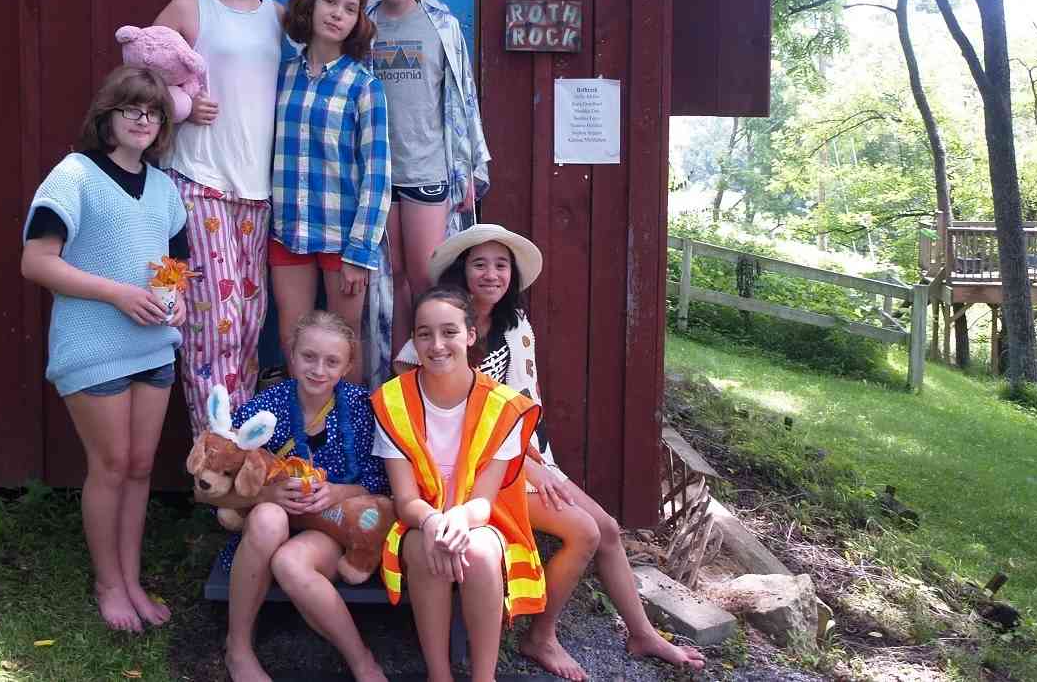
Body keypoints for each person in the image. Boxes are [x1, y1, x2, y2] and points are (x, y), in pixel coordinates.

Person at [395, 224, 706, 678]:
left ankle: (637, 633)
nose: (491, 274)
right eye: (479, 264)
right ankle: (540, 636)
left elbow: (526, 403)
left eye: (502, 265)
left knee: (607, 528)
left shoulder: (516, 325)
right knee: (586, 531)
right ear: (462, 272)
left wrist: (533, 463)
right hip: (473, 470)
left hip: (521, 454)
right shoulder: (441, 326)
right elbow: (411, 394)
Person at [20, 65, 188, 633]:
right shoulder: (74, 176)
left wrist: (177, 300)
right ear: (107, 117)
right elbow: (37, 261)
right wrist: (117, 293)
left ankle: (132, 579)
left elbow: (174, 265)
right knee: (111, 465)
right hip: (93, 346)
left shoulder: (164, 188)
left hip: (154, 347)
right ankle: (107, 583)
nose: (143, 120)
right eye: (131, 109)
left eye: (154, 112)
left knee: (141, 467)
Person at [153, 0, 283, 433]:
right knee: (214, 325)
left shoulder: (278, 15)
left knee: (249, 325)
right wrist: (180, 104)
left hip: (258, 191)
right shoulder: (190, 7)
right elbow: (139, 75)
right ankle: (214, 451)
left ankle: (239, 460)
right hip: (200, 180)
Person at [372, 286, 545, 682]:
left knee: (480, 554)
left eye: (449, 332)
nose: (436, 345)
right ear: (413, 340)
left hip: (482, 520)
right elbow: (405, 499)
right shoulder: (391, 400)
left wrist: (459, 521)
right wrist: (433, 522)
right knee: (425, 544)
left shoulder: (503, 405)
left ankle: (484, 677)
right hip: (420, 518)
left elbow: (484, 501)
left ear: (470, 335)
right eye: (424, 333)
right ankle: (439, 674)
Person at [213, 312, 390, 682]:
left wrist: (337, 491)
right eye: (309, 357)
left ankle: (362, 661)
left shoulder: (361, 406)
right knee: (267, 517)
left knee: (291, 564)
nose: (319, 370)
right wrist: (269, 493)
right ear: (291, 355)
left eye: (332, 361)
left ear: (348, 365)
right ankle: (239, 649)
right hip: (267, 525)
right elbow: (219, 485)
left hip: (331, 527)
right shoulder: (267, 406)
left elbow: (381, 484)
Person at [365, 0, 490, 365]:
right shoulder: (363, 26)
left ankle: (433, 373)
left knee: (424, 279)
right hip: (376, 176)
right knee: (387, 283)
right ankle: (396, 377)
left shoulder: (443, 26)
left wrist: (470, 169)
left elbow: (465, 100)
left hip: (427, 170)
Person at [271, 0, 391, 384]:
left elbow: (377, 176)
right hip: (289, 231)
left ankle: (348, 443)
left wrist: (360, 251)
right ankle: (302, 445)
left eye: (351, 9)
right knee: (293, 339)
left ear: (359, 22)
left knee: (343, 346)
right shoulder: (282, 76)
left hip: (343, 239)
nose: (338, 14)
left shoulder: (364, 87)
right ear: (312, 3)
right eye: (330, 1)